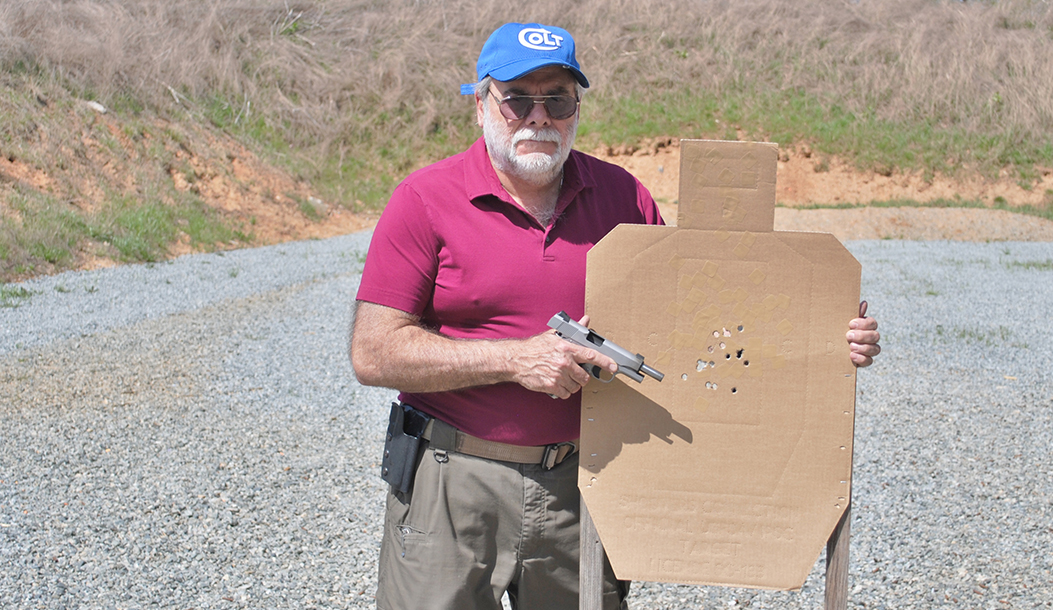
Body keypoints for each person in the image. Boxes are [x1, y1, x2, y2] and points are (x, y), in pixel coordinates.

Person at [350, 22, 881, 610]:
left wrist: (825, 336)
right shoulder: (425, 199)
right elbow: (373, 352)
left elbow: (697, 322)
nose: (538, 116)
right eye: (519, 98)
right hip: (452, 481)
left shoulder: (624, 198)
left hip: (585, 484)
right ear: (481, 104)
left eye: (558, 99)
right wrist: (514, 359)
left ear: (576, 107)